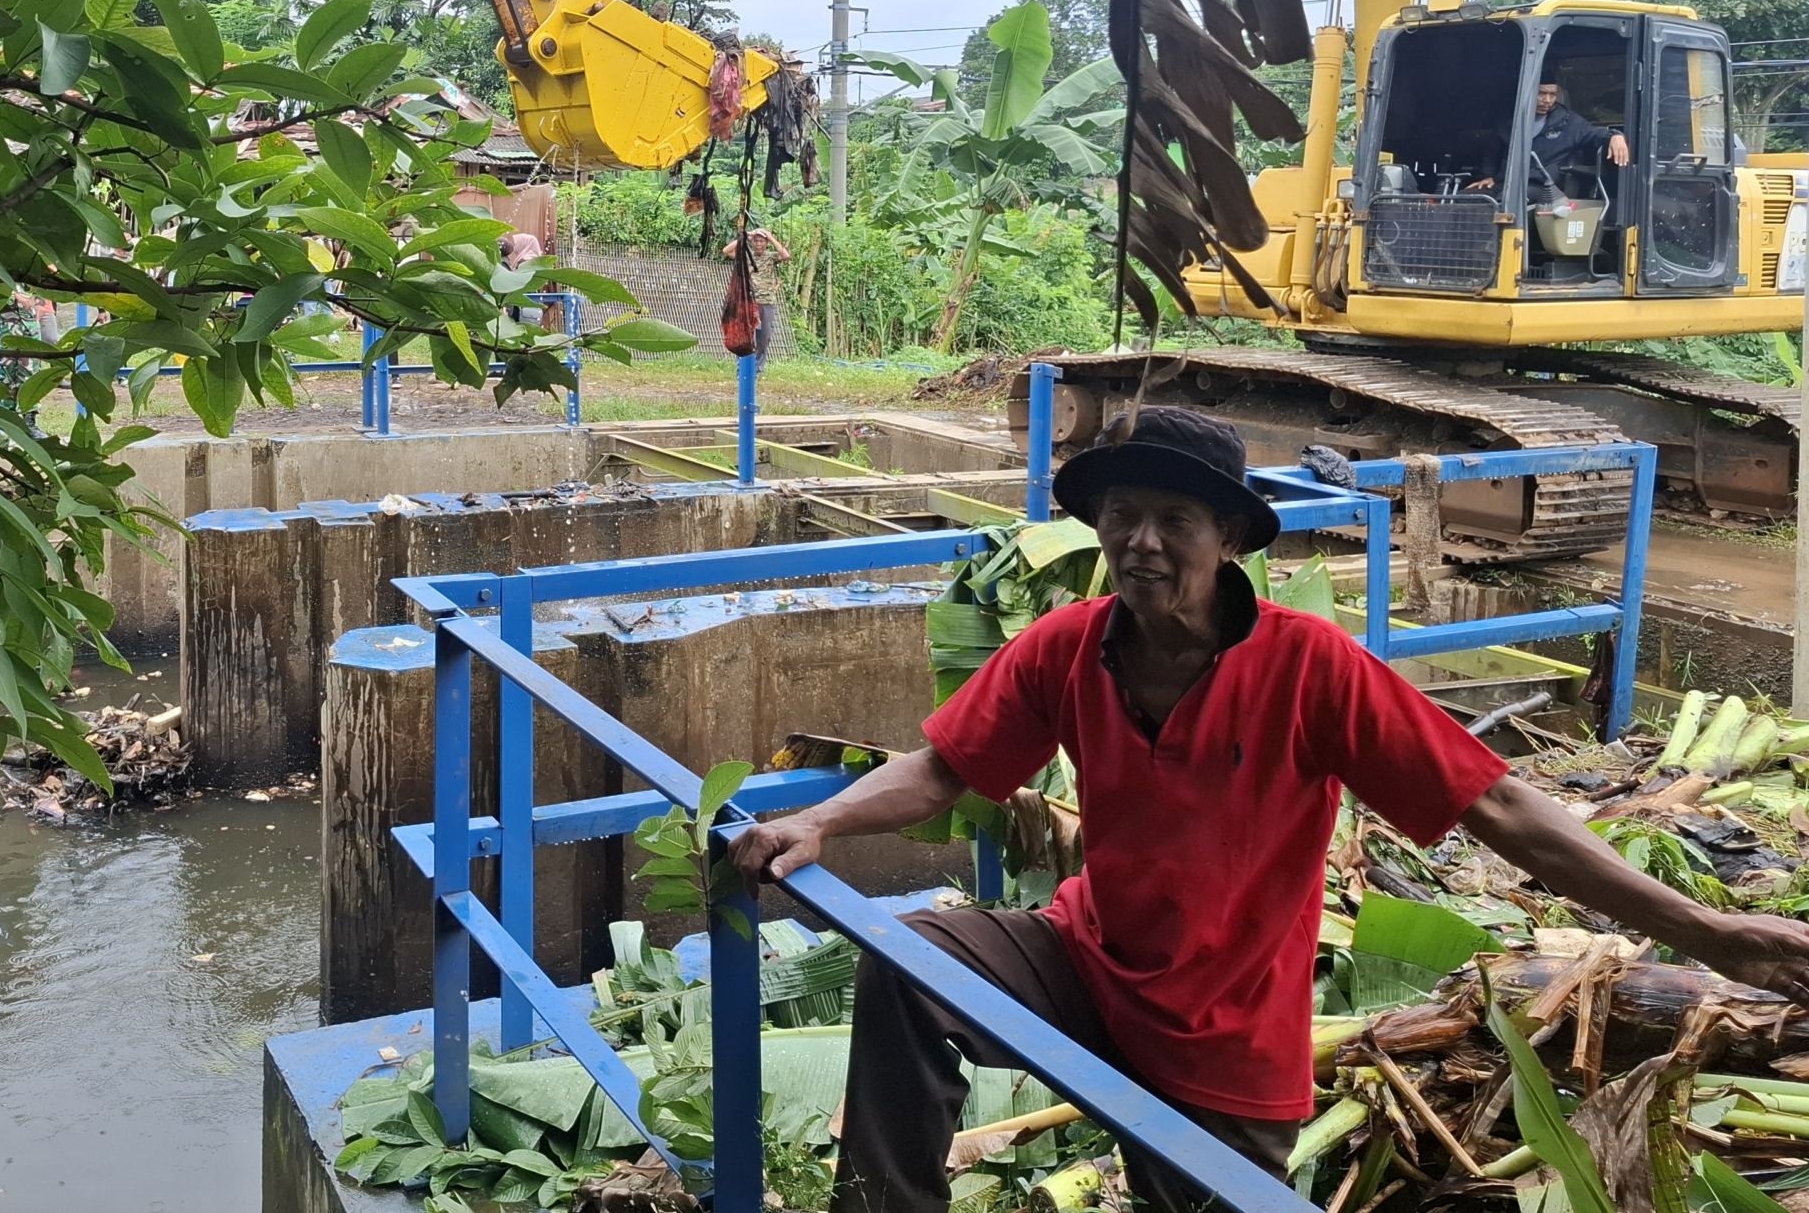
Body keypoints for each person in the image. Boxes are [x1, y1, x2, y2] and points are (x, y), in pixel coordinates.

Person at [730, 406, 1809, 1213]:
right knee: (911, 962)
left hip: (1229, 1030)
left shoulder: (1312, 669)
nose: (1141, 542)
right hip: (1088, 956)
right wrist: (819, 823)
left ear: (1230, 539)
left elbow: (1506, 810)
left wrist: (1707, 931)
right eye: (1122, 517)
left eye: (1173, 518)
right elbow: (940, 769)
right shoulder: (1065, 648)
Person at [1467, 81, 1630, 197]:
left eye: (1552, 94)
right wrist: (1487, 177)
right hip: (1504, 183)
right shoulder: (1510, 121)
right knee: (1462, 199)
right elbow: (1493, 154)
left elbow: (1595, 134)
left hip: (1541, 186)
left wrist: (1615, 135)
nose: (1547, 100)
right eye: (1541, 94)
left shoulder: (1569, 122)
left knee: (1508, 203)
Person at [718, 225, 790, 361]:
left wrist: (770, 236)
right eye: (756, 241)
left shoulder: (771, 257)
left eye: (762, 241)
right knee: (745, 336)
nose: (758, 244)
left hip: (767, 302)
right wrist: (744, 236)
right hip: (748, 303)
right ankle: (743, 367)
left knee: (764, 337)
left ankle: (758, 369)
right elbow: (726, 251)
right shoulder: (746, 255)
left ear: (766, 243)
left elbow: (785, 255)